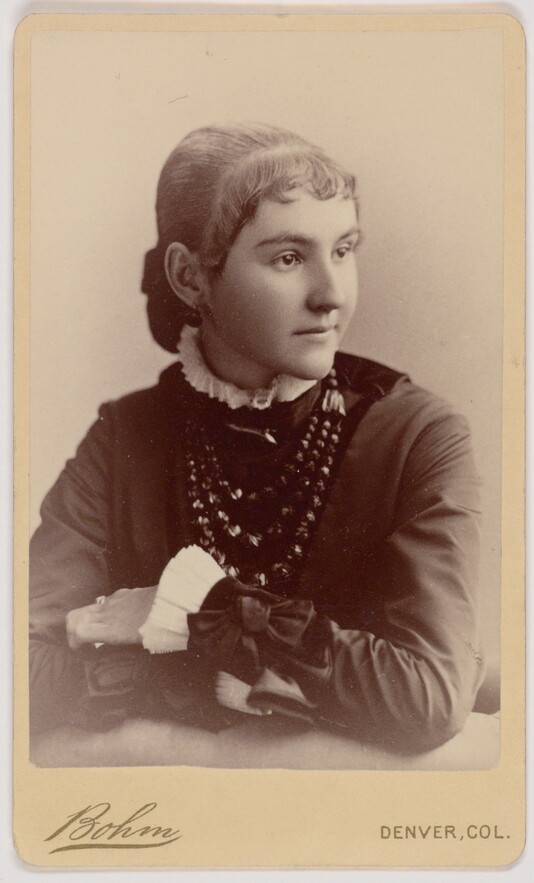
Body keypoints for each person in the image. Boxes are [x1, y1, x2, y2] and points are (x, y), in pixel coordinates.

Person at [29, 123, 488, 762]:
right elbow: (20, 673)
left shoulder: (417, 436)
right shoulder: (123, 439)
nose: (332, 295)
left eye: (345, 249)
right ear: (191, 278)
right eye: (289, 258)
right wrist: (214, 667)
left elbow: (428, 698)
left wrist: (188, 610)